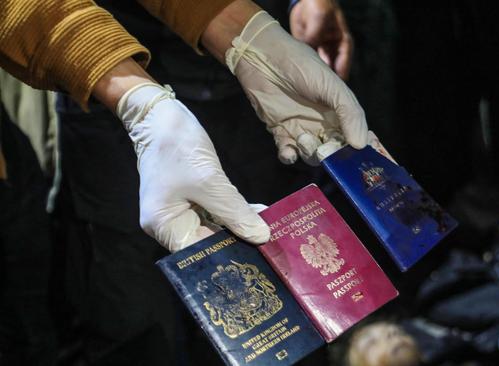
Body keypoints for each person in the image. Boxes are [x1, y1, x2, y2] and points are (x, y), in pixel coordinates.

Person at [1, 0, 367, 364]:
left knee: (285, 312)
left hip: (241, 96)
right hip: (105, 98)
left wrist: (250, 33)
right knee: (134, 318)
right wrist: (137, 99)